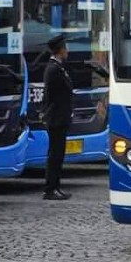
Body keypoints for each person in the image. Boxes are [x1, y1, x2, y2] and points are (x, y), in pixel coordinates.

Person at [42, 34, 74, 200]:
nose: (67, 51)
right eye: (65, 48)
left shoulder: (58, 68)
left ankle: (55, 186)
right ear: (61, 50)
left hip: (59, 117)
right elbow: (55, 96)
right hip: (56, 118)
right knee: (55, 155)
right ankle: (50, 188)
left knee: (58, 154)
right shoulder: (54, 69)